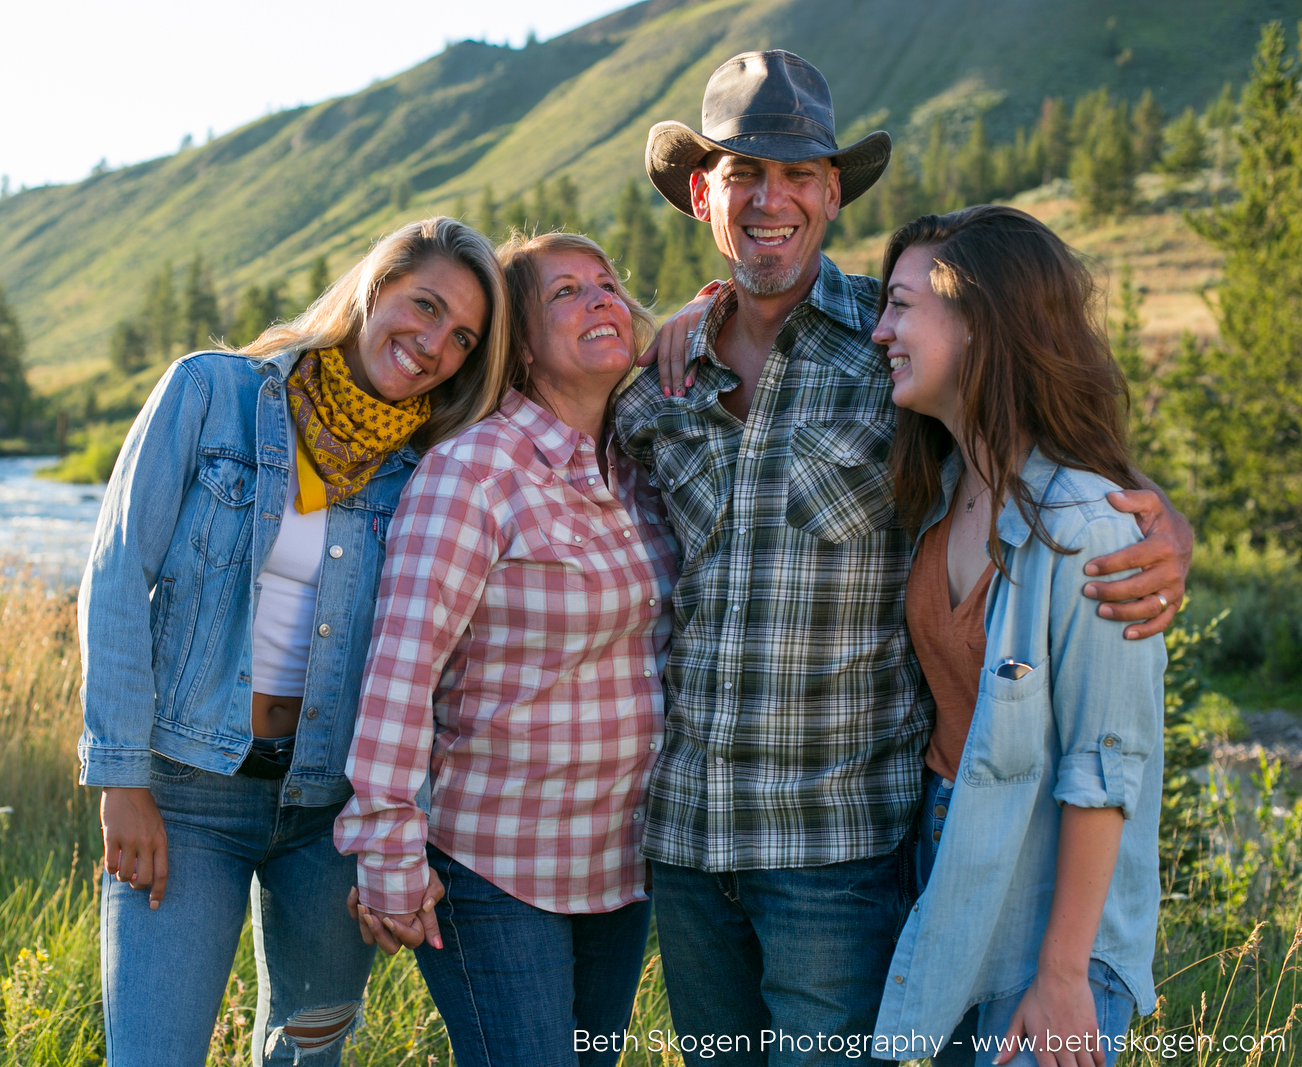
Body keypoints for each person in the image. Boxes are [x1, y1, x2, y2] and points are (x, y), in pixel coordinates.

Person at [615, 51, 1192, 1065]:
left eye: (798, 172)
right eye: (743, 171)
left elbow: (1039, 443)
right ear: (701, 192)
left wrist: (1162, 524)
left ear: (831, 192)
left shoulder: (884, 355)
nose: (770, 196)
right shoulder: (654, 383)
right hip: (687, 844)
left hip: (836, 850)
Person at [76, 216, 510, 1067]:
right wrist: (120, 775)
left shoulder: (429, 466)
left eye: (461, 337)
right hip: (186, 795)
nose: (432, 345)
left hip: (330, 814)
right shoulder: (212, 394)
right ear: (374, 288)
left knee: (305, 1061)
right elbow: (116, 573)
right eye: (423, 306)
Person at [334, 231, 677, 1067]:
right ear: (521, 347)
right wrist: (387, 850)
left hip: (616, 865)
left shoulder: (637, 463)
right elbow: (400, 674)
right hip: (495, 866)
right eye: (565, 292)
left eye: (606, 283)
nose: (600, 298)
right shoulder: (474, 472)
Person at [871, 205, 1162, 1067]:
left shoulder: (1090, 525)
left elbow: (1107, 762)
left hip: (1045, 906)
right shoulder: (945, 487)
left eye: (900, 305)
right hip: (947, 866)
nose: (880, 330)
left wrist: (1064, 971)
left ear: (979, 321)